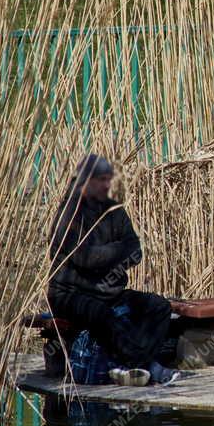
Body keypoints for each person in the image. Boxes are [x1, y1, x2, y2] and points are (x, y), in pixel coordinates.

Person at [47, 153, 178, 384]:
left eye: (109, 179)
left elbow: (136, 251)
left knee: (159, 307)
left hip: (110, 294)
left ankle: (130, 366)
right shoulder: (69, 214)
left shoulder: (114, 211)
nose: (108, 184)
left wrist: (108, 253)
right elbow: (85, 258)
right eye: (102, 179)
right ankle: (145, 366)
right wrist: (119, 248)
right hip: (70, 294)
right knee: (100, 313)